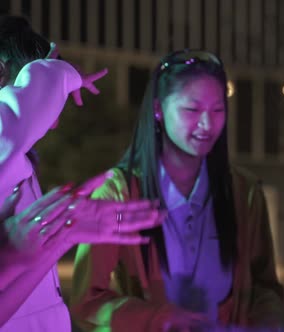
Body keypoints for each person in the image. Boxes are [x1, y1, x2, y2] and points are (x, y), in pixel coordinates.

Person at [70, 49, 284, 332]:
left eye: (218, 110)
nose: (207, 124)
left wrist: (267, 323)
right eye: (192, 110)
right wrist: (158, 319)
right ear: (158, 109)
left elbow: (263, 287)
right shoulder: (119, 195)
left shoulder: (243, 193)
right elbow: (88, 302)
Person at [0, 15, 165, 331]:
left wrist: (61, 239)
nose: (55, 117)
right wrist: (59, 72)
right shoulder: (6, 139)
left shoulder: (16, 160)